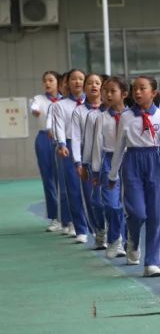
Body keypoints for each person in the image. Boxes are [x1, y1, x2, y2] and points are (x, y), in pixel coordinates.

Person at [108, 76, 160, 277]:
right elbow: (119, 147)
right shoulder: (126, 117)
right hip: (132, 162)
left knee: (155, 214)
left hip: (154, 162)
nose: (137, 92)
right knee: (137, 213)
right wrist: (113, 175)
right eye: (134, 89)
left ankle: (152, 262)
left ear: (153, 93)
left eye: (142, 88)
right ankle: (133, 239)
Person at [91, 76, 129, 259]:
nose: (108, 94)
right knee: (112, 204)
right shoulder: (101, 118)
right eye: (105, 91)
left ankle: (129, 240)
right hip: (109, 160)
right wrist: (96, 170)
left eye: (113, 91)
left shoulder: (132, 116)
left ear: (124, 94)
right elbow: (97, 145)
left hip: (129, 160)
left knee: (129, 206)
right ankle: (115, 240)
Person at [71, 72, 107, 248]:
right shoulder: (79, 111)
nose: (94, 86)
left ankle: (113, 233)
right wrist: (78, 162)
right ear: (85, 88)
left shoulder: (109, 109)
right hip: (89, 160)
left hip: (108, 158)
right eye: (90, 83)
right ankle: (98, 230)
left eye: (97, 83)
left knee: (111, 199)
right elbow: (76, 138)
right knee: (93, 199)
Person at [51, 68, 88, 242]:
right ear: (67, 83)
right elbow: (58, 126)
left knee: (92, 190)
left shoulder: (95, 103)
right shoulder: (60, 105)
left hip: (90, 147)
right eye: (74, 79)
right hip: (69, 147)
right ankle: (79, 227)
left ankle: (98, 227)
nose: (77, 82)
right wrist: (62, 144)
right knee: (73, 188)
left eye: (81, 79)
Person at [30, 71, 63, 232]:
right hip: (44, 139)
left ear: (58, 82)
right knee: (48, 178)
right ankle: (55, 217)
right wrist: (35, 110)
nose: (47, 83)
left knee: (63, 178)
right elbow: (34, 107)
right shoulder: (38, 99)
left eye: (51, 80)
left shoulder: (65, 100)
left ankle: (68, 218)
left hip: (62, 139)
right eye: (45, 81)